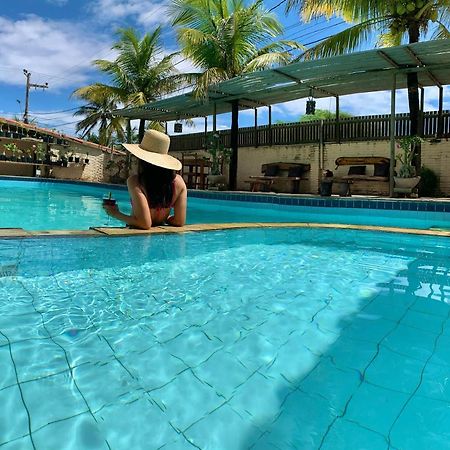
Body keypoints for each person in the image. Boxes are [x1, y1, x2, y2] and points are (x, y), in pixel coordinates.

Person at [103, 130, 187, 229]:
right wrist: (165, 218)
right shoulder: (179, 182)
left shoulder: (135, 182)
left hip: (138, 240)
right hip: (162, 237)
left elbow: (144, 224)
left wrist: (115, 213)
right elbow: (179, 221)